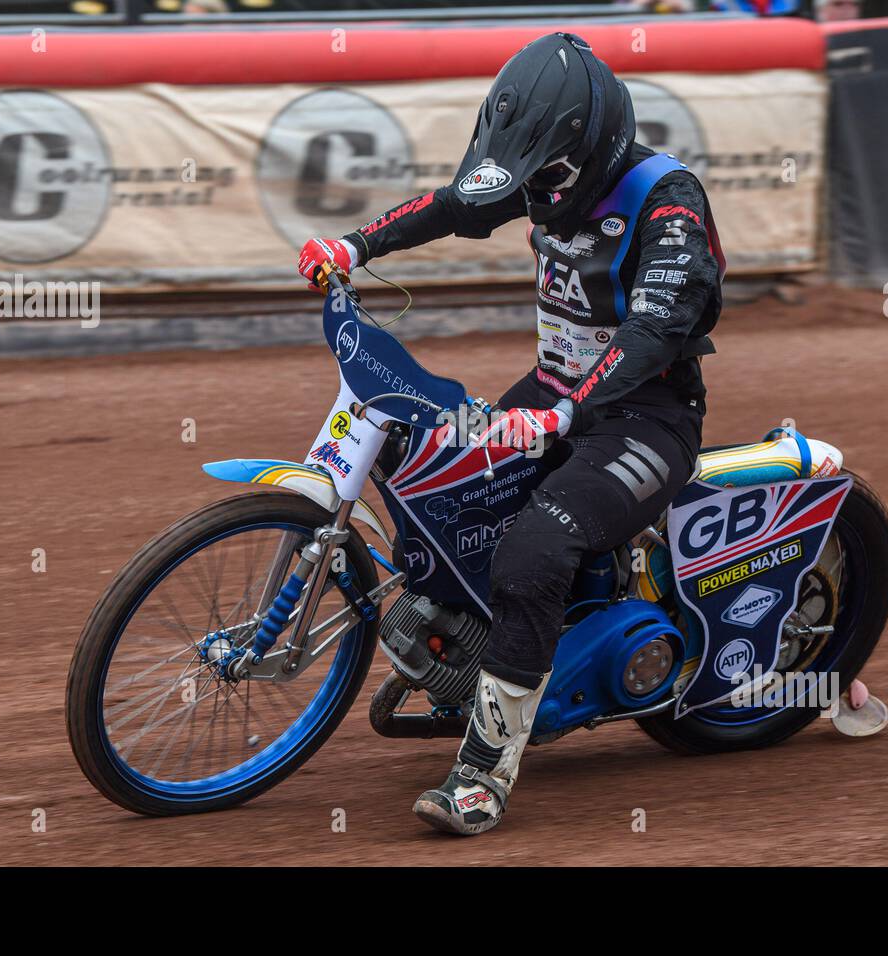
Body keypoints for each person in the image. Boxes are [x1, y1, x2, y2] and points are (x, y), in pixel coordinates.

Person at [298, 32, 724, 836]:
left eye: (548, 178)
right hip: (552, 397)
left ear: (590, 145)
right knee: (448, 481)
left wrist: (563, 414)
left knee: (534, 551)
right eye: (527, 179)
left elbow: (654, 331)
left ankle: (483, 776)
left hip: (645, 420)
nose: (536, 194)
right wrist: (353, 245)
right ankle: (477, 649)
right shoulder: (540, 174)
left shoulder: (667, 201)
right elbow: (456, 204)